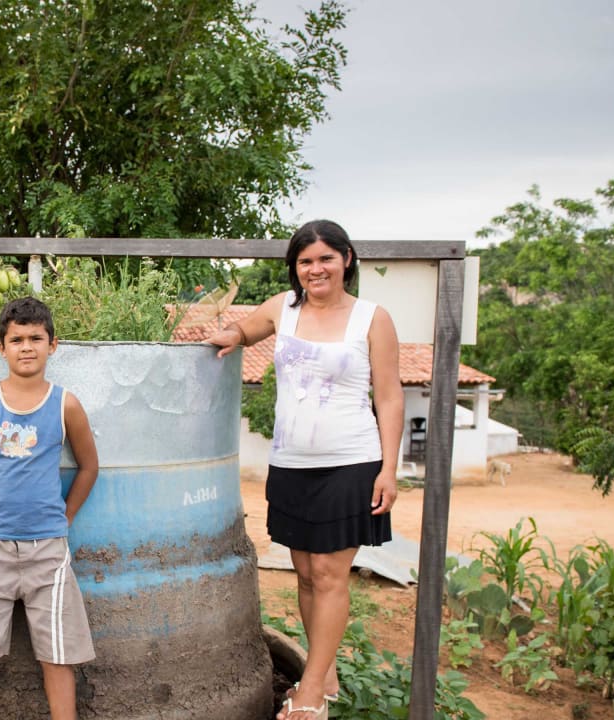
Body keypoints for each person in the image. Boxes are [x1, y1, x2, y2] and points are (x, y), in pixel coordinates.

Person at [207, 220, 402, 720]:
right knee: (305, 575)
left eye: (325, 259)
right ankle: (327, 670)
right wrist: (229, 334)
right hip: (291, 463)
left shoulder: (371, 319)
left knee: (330, 574)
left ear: (347, 260)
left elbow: (389, 395)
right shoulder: (282, 308)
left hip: (352, 462)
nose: (315, 269)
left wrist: (388, 469)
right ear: (295, 268)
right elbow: (245, 330)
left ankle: (312, 691)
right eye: (305, 261)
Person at [0, 297, 100, 720]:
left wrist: (63, 519)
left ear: (54, 345)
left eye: (36, 338)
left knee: (58, 654)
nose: (26, 347)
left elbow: (89, 467)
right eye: (16, 339)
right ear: (1, 348)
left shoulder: (64, 404)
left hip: (48, 551)